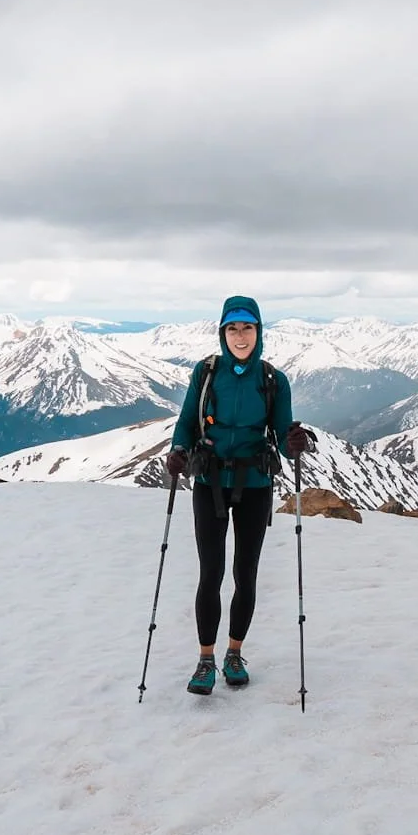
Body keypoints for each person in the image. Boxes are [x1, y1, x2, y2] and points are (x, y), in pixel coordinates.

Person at [166, 296, 314, 695]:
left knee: (244, 573)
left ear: (258, 332)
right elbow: (186, 423)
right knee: (210, 572)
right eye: (233, 328)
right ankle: (205, 659)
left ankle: (234, 654)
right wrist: (178, 451)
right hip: (209, 481)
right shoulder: (207, 373)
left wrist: (294, 442)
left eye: (247, 328)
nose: (240, 335)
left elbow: (283, 436)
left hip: (255, 485)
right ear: (222, 333)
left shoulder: (272, 380)